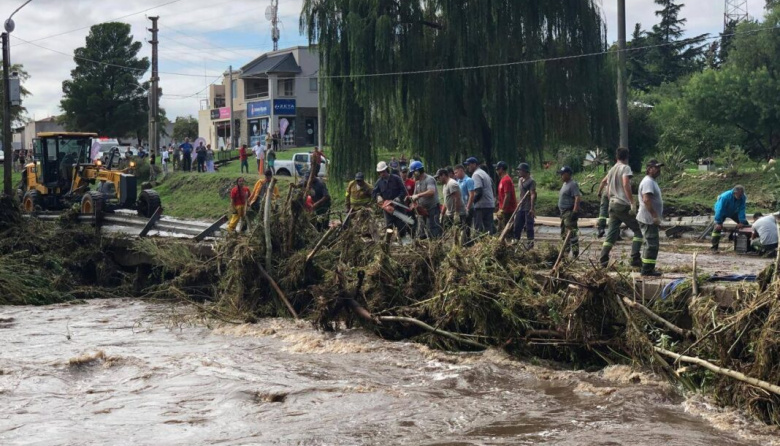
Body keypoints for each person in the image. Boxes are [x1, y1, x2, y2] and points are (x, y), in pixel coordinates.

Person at [599, 148, 642, 269]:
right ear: (627, 157)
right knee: (638, 230)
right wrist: (632, 202)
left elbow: (607, 188)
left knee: (612, 233)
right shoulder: (625, 168)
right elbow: (625, 184)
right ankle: (635, 258)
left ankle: (603, 258)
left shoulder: (612, 169)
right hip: (622, 204)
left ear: (616, 157)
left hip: (612, 203)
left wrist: (610, 199)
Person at [637, 160, 665, 276]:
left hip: (649, 218)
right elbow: (646, 199)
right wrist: (654, 216)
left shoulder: (651, 181)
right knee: (651, 245)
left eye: (659, 168)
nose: (658, 170)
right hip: (648, 218)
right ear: (649, 169)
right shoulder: (648, 182)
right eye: (655, 168)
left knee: (650, 244)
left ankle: (647, 269)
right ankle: (647, 270)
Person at [372, 161, 409, 231]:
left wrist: (399, 198)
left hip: (399, 207)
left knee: (401, 227)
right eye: (380, 172)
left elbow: (404, 190)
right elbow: (374, 193)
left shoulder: (396, 178)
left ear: (387, 170)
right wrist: (378, 196)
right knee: (389, 228)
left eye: (383, 172)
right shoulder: (379, 182)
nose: (382, 174)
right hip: (387, 209)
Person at [711, 185, 749, 252]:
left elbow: (742, 209)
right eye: (739, 195)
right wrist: (718, 222)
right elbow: (720, 209)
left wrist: (741, 221)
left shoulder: (743, 197)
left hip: (733, 211)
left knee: (745, 225)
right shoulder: (725, 197)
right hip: (723, 211)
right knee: (717, 228)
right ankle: (714, 248)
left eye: (741, 195)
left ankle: (746, 246)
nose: (740, 196)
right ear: (735, 193)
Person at [409, 161, 441, 238]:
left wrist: (418, 195)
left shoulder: (429, 179)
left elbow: (431, 191)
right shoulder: (417, 182)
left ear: (417, 172)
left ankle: (436, 245)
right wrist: (412, 199)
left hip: (432, 208)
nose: (413, 175)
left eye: (413, 173)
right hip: (423, 210)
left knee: (432, 229)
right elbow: (415, 194)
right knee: (421, 231)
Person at [465, 157, 495, 234]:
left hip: (482, 205)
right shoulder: (483, 173)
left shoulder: (476, 175)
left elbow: (478, 192)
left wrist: (472, 202)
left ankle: (480, 245)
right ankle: (490, 244)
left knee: (479, 229)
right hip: (489, 204)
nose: (467, 166)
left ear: (474, 164)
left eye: (469, 164)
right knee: (488, 228)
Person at [558, 166, 581, 258]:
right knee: (564, 233)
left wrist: (575, 211)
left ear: (567, 174)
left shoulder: (573, 184)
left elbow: (577, 197)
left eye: (562, 174)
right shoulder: (565, 184)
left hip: (569, 212)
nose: (561, 176)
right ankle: (565, 252)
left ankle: (575, 253)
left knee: (572, 234)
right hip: (563, 213)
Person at [514, 163, 536, 247]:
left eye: (520, 170)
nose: (519, 172)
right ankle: (516, 240)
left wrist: (532, 208)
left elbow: (533, 194)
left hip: (527, 207)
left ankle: (530, 243)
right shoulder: (520, 180)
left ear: (525, 171)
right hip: (521, 206)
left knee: (529, 225)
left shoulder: (531, 181)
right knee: (517, 224)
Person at [495, 161, 517, 233]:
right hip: (503, 209)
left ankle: (510, 241)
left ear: (501, 169)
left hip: (508, 210)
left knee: (508, 229)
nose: (496, 171)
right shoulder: (502, 180)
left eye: (497, 169)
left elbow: (507, 196)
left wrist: (502, 209)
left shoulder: (506, 180)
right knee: (502, 229)